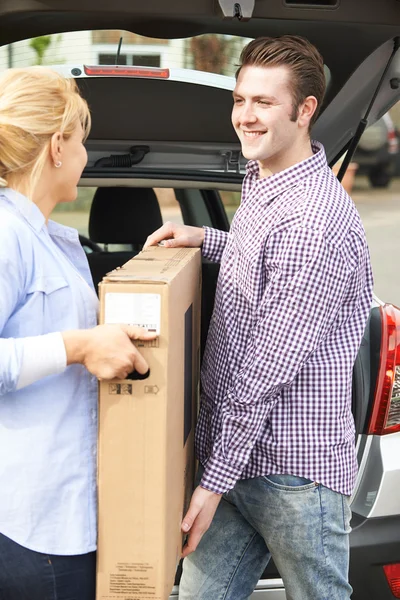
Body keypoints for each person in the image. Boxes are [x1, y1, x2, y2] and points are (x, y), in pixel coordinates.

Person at [144, 35, 373, 600]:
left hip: (294, 475)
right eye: (240, 99)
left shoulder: (315, 221)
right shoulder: (266, 179)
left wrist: (210, 483)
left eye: (264, 103)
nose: (245, 116)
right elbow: (263, 259)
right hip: (237, 455)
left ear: (306, 110)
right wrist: (207, 238)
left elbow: (265, 369)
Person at [0, 67, 155, 600]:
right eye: (83, 141)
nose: (87, 156)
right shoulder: (6, 236)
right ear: (56, 147)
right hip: (28, 525)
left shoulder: (49, 239)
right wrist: (80, 346)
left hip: (65, 514)